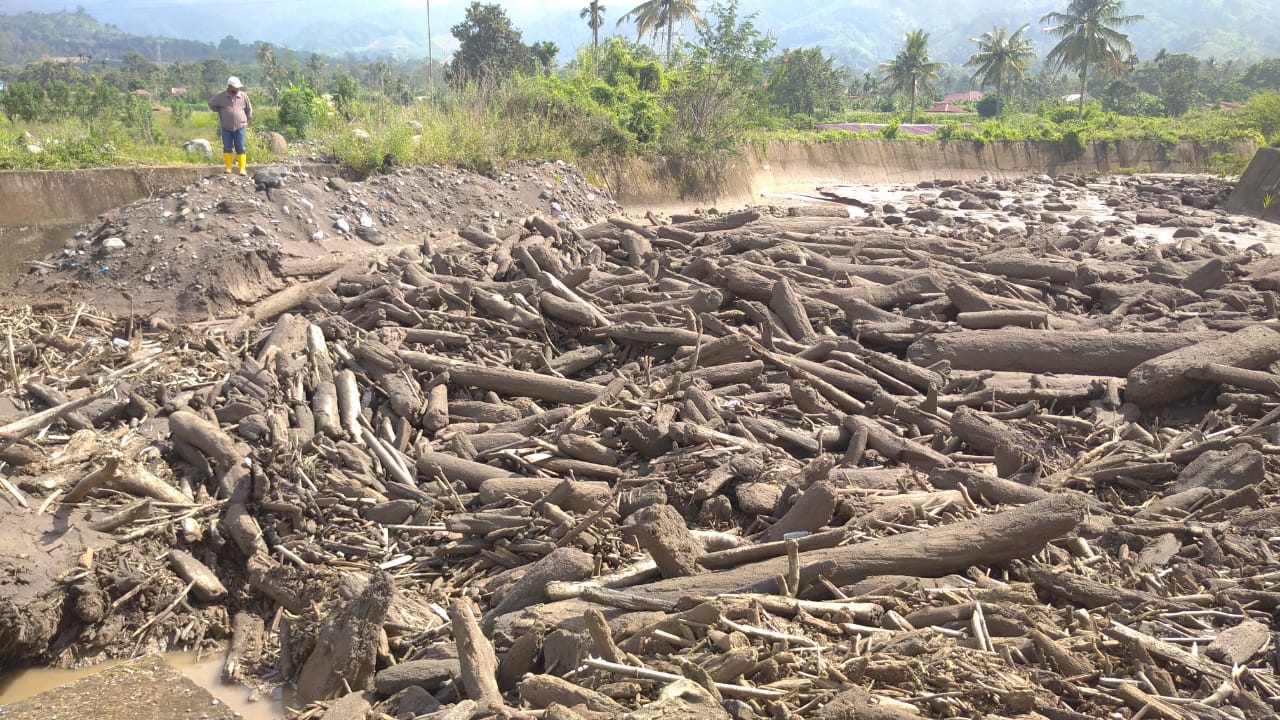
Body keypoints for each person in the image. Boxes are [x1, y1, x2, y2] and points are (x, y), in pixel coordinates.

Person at [208, 76, 253, 175]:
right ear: (229, 86)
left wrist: (247, 120)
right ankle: (228, 168)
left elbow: (249, 109)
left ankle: (242, 169)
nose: (237, 89)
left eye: (238, 87)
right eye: (235, 87)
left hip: (240, 126)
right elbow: (211, 104)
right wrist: (220, 110)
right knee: (227, 147)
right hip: (226, 127)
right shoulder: (221, 96)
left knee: (240, 147)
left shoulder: (243, 96)